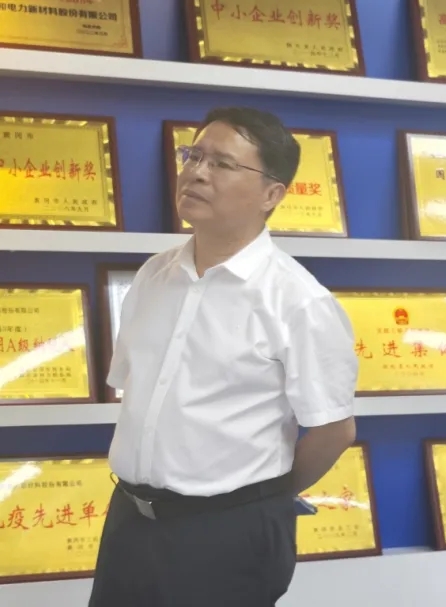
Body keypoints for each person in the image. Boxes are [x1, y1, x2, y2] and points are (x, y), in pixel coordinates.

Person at [89, 107, 359, 607]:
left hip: (227, 535)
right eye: (193, 156)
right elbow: (134, 389)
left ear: (271, 195)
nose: (196, 172)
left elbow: (334, 431)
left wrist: (259, 499)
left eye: (222, 164)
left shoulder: (299, 301)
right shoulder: (153, 276)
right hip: (129, 521)